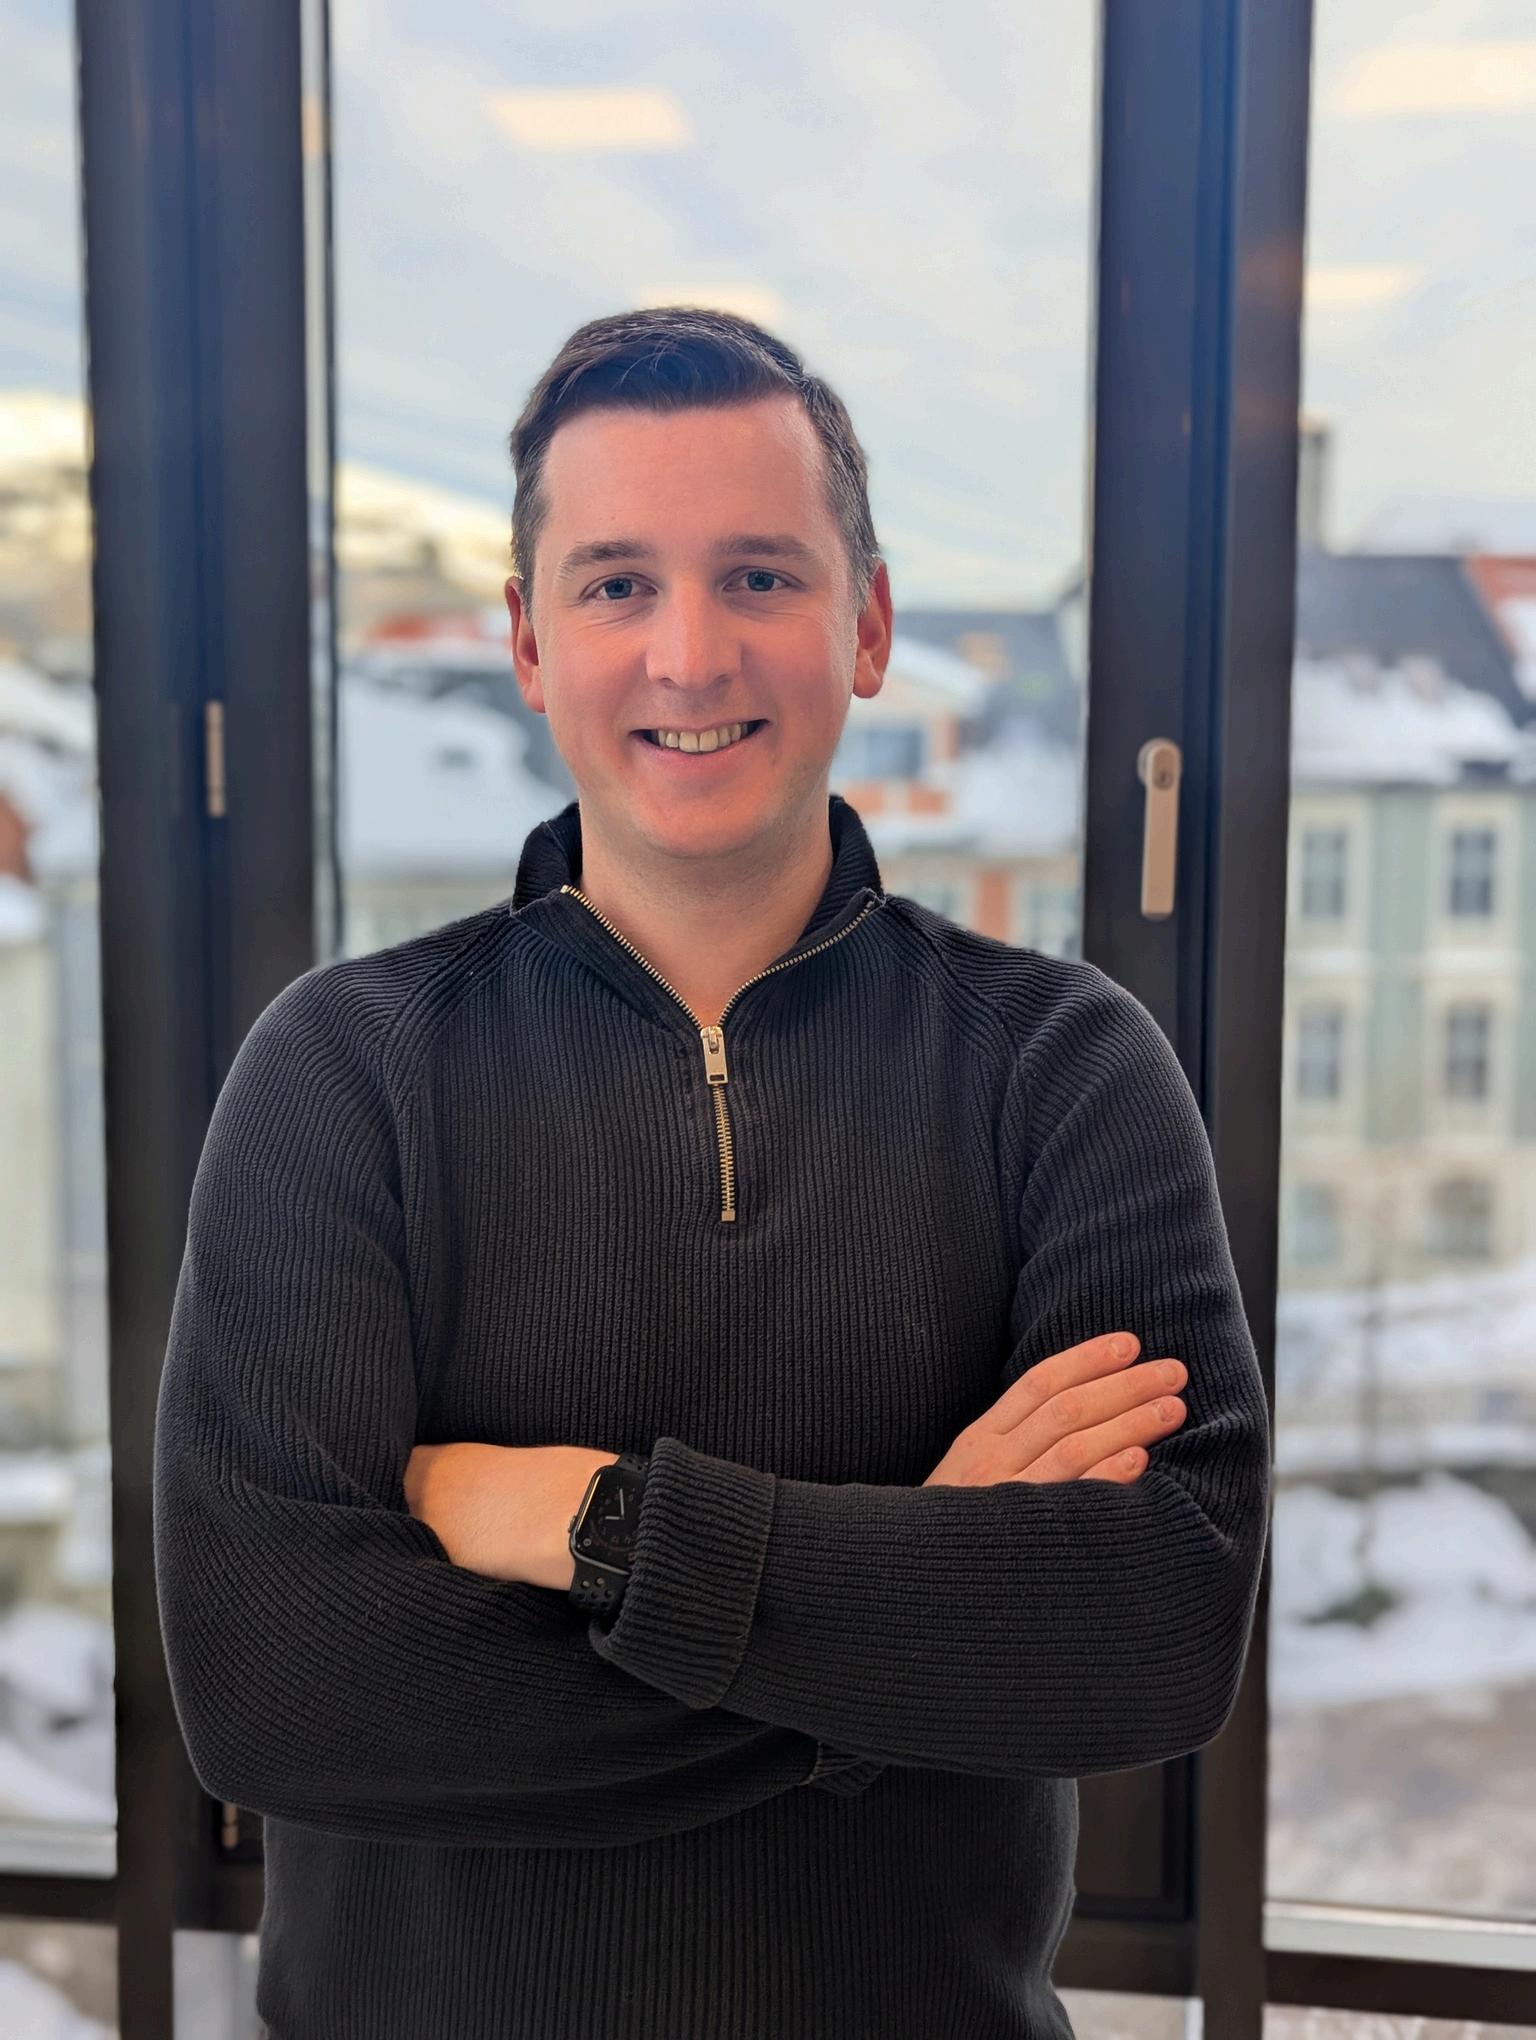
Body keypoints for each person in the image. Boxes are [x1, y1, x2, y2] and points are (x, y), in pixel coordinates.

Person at [153, 305, 1272, 2039]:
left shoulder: (1062, 1066)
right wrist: (914, 1619)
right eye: (616, 585)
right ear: (529, 643)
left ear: (868, 625)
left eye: (759, 576)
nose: (689, 656)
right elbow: (282, 1690)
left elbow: (1153, 1628)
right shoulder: (343, 1070)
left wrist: (588, 1520)